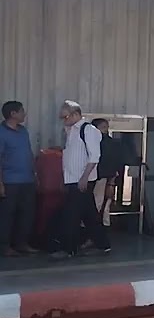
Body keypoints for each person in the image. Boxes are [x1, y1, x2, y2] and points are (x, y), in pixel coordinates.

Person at [51, 100, 111, 259]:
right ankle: (102, 244)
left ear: (76, 114)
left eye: (66, 117)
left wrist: (84, 178)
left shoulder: (88, 130)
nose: (64, 120)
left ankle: (68, 248)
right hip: (72, 179)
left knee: (70, 215)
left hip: (82, 180)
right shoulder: (71, 132)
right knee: (89, 215)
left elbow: (94, 156)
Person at [0, 101, 37, 256]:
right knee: (7, 215)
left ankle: (22, 243)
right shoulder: (2, 133)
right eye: (22, 111)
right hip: (10, 180)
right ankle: (4, 246)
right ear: (13, 114)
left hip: (27, 179)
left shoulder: (23, 131)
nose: (24, 114)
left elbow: (28, 153)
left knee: (27, 213)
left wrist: (35, 174)